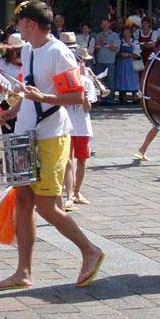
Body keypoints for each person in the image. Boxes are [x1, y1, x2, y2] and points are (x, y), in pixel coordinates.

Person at [0, 0, 105, 291]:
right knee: (24, 202)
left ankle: (90, 250)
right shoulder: (28, 50)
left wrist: (44, 99)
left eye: (19, 23)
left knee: (47, 208)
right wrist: (11, 112)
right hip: (27, 133)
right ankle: (23, 272)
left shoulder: (58, 52)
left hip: (52, 136)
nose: (16, 29)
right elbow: (29, 92)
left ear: (30, 24)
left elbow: (77, 96)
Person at [62, 45, 97, 209]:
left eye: (81, 62)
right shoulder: (64, 80)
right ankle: (69, 194)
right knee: (67, 161)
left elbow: (88, 108)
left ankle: (77, 191)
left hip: (83, 127)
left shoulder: (87, 82)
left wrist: (82, 94)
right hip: (67, 127)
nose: (80, 65)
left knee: (81, 160)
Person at [93, 19, 120, 104]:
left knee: (110, 81)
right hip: (100, 61)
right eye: (103, 24)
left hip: (110, 61)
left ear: (109, 24)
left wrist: (106, 43)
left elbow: (117, 48)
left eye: (106, 24)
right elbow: (96, 48)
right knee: (100, 81)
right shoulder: (98, 35)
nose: (104, 25)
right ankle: (102, 99)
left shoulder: (115, 35)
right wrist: (98, 44)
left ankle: (110, 99)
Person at [114, 26, 141, 104]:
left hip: (131, 64)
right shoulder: (120, 42)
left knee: (133, 79)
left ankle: (135, 97)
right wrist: (121, 54)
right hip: (122, 64)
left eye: (128, 32)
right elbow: (116, 53)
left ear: (131, 33)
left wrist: (129, 55)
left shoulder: (135, 42)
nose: (126, 34)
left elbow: (138, 55)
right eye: (125, 32)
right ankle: (123, 97)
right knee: (122, 79)